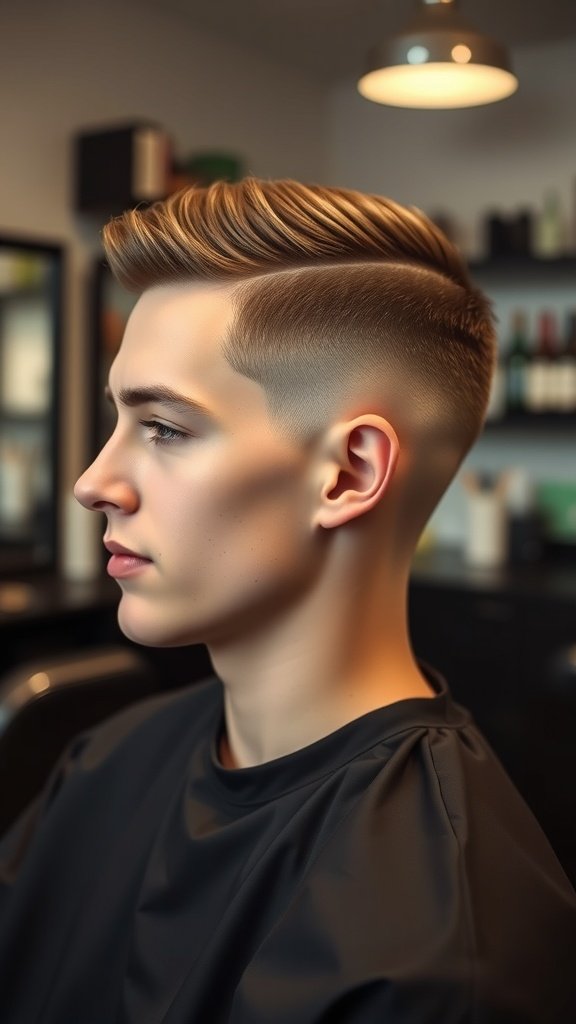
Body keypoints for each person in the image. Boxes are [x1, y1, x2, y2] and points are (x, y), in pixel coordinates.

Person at [0, 178, 575, 1023]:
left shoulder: (436, 957)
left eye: (163, 428)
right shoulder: (110, 758)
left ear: (349, 474)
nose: (93, 482)